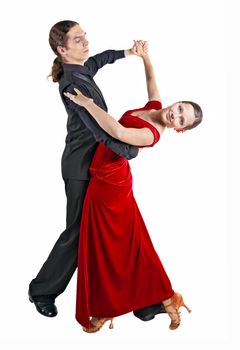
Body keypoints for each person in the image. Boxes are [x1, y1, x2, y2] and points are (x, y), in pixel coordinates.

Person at [28, 20, 165, 321]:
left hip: (102, 167)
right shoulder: (72, 84)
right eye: (78, 39)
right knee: (79, 233)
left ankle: (140, 299)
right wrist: (132, 150)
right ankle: (42, 291)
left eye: (85, 36)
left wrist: (128, 53)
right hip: (82, 166)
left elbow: (97, 60)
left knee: (121, 229)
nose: (85, 42)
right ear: (62, 49)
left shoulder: (81, 69)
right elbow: (100, 133)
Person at [63, 40, 202, 332]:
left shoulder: (151, 134)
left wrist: (88, 104)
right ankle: (165, 300)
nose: (173, 114)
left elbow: (116, 130)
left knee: (105, 247)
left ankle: (109, 309)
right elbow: (152, 83)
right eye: (178, 108)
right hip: (111, 178)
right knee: (129, 245)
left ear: (179, 129)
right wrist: (144, 57)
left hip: (108, 185)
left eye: (180, 119)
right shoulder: (155, 109)